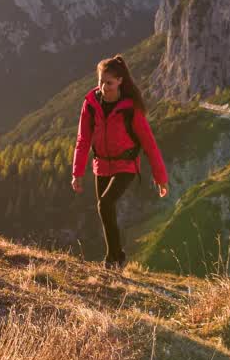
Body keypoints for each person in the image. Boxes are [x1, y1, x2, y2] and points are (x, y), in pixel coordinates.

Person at [70, 54, 168, 269]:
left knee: (104, 204)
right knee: (107, 211)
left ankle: (112, 259)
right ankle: (117, 258)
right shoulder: (90, 104)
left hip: (126, 166)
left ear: (120, 81)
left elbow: (150, 144)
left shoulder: (130, 108)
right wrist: (77, 173)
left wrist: (160, 179)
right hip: (101, 164)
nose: (104, 87)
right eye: (100, 82)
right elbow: (83, 139)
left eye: (109, 83)